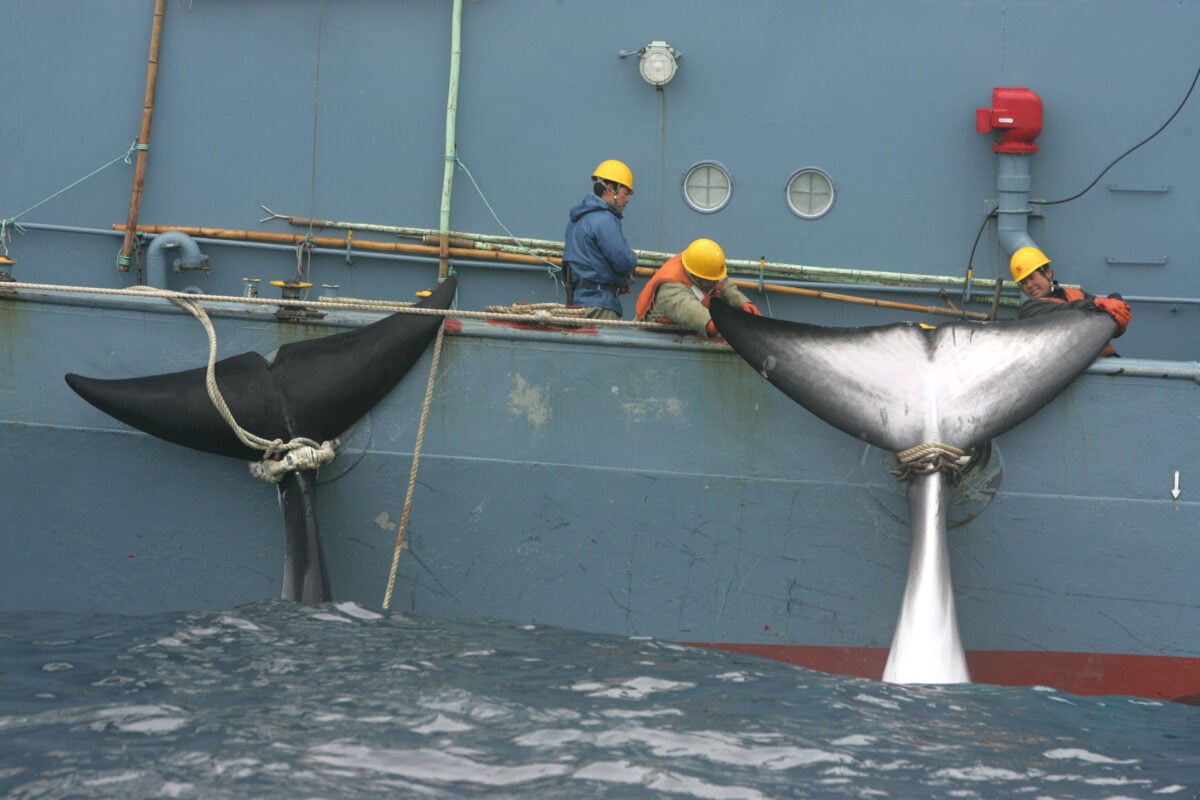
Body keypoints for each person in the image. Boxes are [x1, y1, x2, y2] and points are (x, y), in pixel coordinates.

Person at [1010, 246, 1131, 357]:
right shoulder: (1030, 311)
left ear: (1048, 273)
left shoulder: (1075, 294)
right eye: (1023, 282)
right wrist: (1096, 304)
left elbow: (1108, 320)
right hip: (1071, 369)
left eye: (1032, 277)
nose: (1029, 285)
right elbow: (1064, 311)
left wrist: (1116, 305)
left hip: (1105, 361)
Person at [635, 237, 761, 337]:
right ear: (697, 277)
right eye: (712, 281)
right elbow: (690, 310)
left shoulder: (700, 264)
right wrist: (717, 324)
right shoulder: (671, 289)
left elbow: (723, 283)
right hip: (658, 336)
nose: (716, 282)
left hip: (685, 332)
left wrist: (742, 302)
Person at [562, 159, 639, 319]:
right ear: (611, 189)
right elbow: (623, 261)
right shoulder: (605, 220)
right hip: (599, 305)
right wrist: (632, 259)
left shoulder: (577, 220)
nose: (627, 199)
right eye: (625, 193)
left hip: (577, 302)